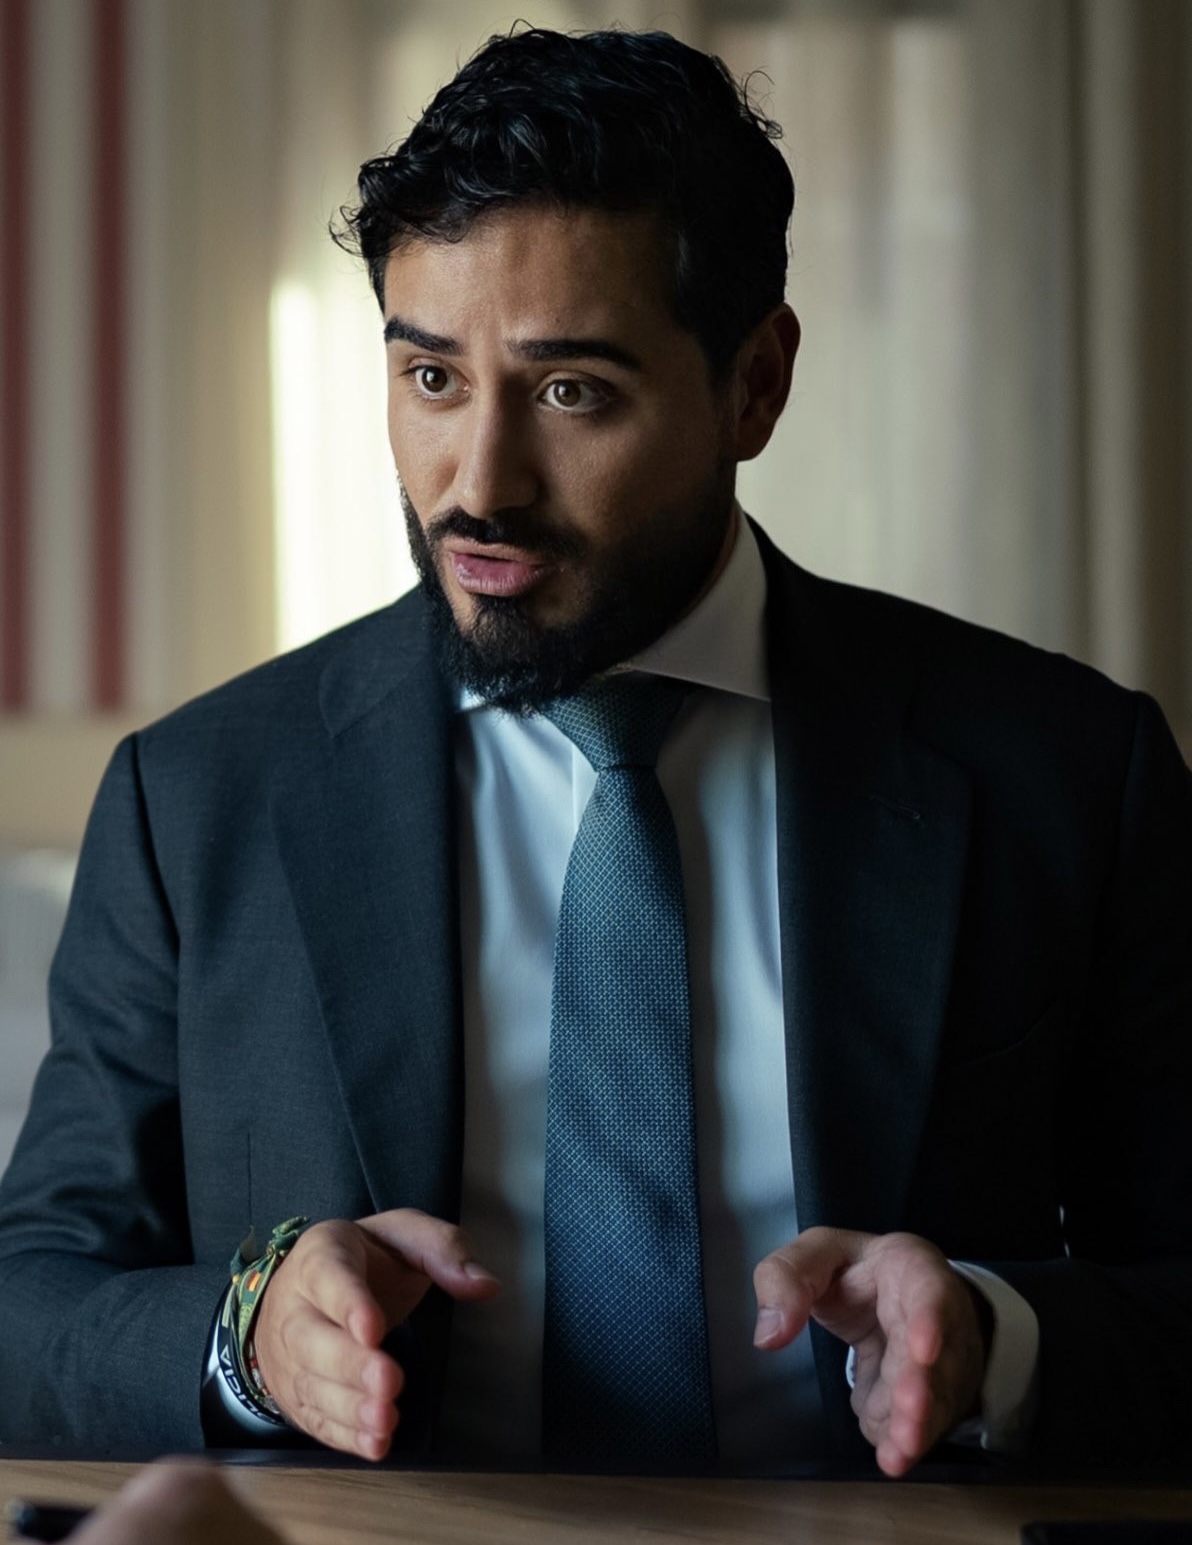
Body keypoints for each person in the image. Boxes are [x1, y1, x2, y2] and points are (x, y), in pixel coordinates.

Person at [0, 26, 1189, 1478]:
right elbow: (28, 1304)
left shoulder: (1068, 778)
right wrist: (248, 1340)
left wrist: (1000, 1337)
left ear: (756, 385)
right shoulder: (194, 799)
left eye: (571, 391)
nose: (479, 486)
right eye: (431, 379)